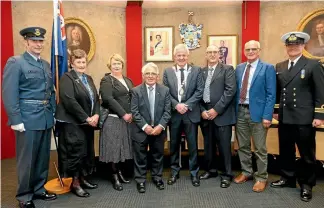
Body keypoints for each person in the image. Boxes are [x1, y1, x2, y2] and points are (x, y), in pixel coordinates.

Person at [2, 27, 57, 208]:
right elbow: (9, 93)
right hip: (26, 118)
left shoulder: (46, 65)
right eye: (34, 41)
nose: (38, 44)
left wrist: (53, 113)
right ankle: (25, 195)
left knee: (42, 157)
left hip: (45, 117)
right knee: (27, 159)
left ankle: (39, 189)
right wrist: (16, 119)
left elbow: (50, 92)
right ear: (26, 42)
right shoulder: (16, 62)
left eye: (40, 41)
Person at [270, 32, 324, 202]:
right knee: (285, 151)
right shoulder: (279, 66)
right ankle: (288, 178)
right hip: (285, 117)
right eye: (289, 45)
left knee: (307, 154)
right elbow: (279, 92)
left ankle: (307, 185)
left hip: (304, 117)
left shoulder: (313, 65)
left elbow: (320, 92)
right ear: (286, 47)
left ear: (303, 46)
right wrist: (277, 112)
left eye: (296, 45)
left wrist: (319, 114)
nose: (292, 48)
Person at [55, 49, 100, 198]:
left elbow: (96, 98)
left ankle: (82, 178)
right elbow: (70, 102)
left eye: (83, 62)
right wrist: (87, 118)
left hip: (88, 122)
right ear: (72, 64)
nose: (81, 65)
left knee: (86, 152)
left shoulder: (89, 78)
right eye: (78, 62)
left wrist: (96, 115)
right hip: (73, 122)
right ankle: (75, 183)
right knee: (76, 152)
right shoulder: (66, 78)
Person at [233, 40, 276, 192]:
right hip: (240, 111)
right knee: (242, 146)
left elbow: (271, 94)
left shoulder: (268, 68)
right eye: (248, 49)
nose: (250, 51)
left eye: (253, 49)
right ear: (244, 51)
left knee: (259, 148)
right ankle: (246, 172)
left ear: (259, 51)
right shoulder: (238, 68)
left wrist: (267, 116)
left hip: (258, 113)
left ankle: (261, 177)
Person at [163, 44, 204, 187]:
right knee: (173, 144)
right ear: (174, 57)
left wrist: (186, 105)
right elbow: (165, 92)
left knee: (192, 145)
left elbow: (200, 91)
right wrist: (176, 105)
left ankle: (194, 173)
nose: (181, 57)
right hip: (174, 114)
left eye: (184, 55)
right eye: (178, 55)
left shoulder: (197, 70)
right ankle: (174, 171)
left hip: (190, 113)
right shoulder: (167, 71)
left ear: (188, 56)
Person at [199, 45, 237, 188]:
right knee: (208, 146)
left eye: (215, 52)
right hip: (205, 115)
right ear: (206, 54)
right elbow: (197, 93)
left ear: (219, 54)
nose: (212, 54)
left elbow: (230, 91)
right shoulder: (201, 72)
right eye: (209, 52)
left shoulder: (227, 69)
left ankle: (227, 174)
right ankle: (211, 170)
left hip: (222, 115)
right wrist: (202, 110)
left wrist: (216, 110)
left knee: (224, 147)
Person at [131, 62, 171, 193]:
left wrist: (160, 126)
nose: (150, 76)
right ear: (143, 75)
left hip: (159, 130)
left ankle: (157, 177)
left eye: (153, 73)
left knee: (158, 155)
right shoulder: (136, 91)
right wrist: (145, 126)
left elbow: (167, 111)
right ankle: (140, 180)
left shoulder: (165, 91)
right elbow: (135, 112)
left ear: (157, 76)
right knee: (140, 157)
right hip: (141, 131)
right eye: (147, 73)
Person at [99, 54, 133, 191]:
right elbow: (108, 99)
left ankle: (119, 172)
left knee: (121, 148)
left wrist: (132, 114)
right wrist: (124, 114)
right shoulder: (106, 80)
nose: (117, 66)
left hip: (126, 120)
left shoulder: (127, 80)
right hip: (113, 119)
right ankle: (114, 176)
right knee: (113, 149)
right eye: (114, 63)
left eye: (119, 63)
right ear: (110, 65)